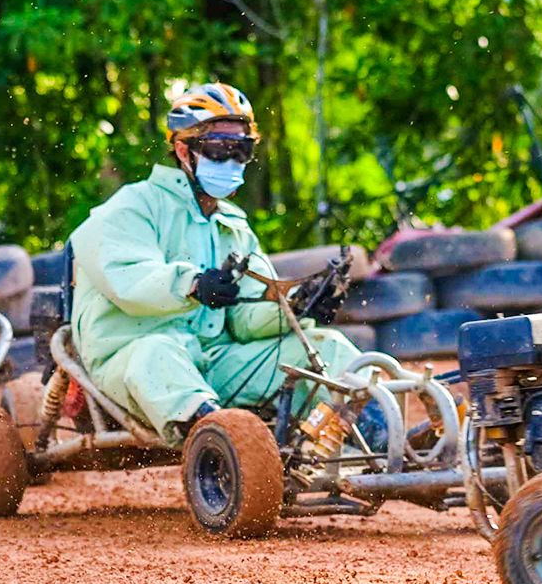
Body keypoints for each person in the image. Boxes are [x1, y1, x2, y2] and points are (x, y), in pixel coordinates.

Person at [69, 83, 359, 445]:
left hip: (215, 360)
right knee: (160, 354)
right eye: (221, 149)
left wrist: (298, 304)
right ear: (183, 150)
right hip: (133, 356)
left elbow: (246, 319)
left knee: (327, 346)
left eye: (242, 149)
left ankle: (384, 443)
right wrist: (192, 285)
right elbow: (129, 279)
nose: (233, 160)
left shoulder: (234, 226)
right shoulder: (131, 207)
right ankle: (224, 451)